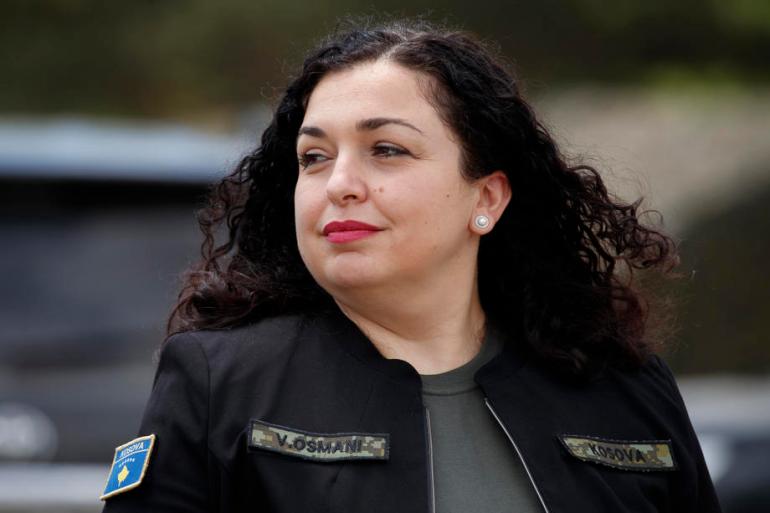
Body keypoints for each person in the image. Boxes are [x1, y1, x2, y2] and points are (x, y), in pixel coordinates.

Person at [100, 16, 722, 513]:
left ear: (487, 198)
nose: (339, 183)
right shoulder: (220, 382)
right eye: (314, 157)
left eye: (387, 149)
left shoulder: (623, 388)